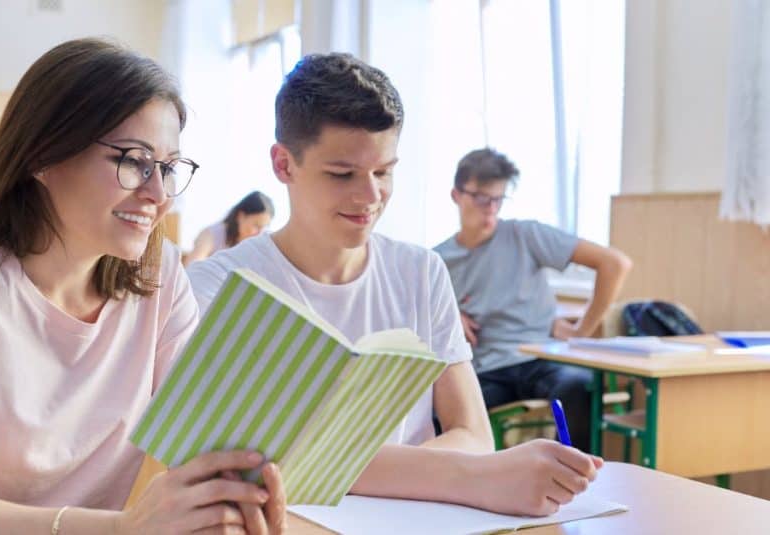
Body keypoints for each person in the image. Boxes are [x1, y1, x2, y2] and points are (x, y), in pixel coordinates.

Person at [0, 38, 286, 534]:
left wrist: (232, 502)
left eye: (170, 168)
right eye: (134, 160)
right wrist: (116, 529)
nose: (158, 194)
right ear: (43, 156)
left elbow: (206, 442)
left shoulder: (160, 277)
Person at [188, 52, 602, 517]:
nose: (370, 197)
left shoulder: (420, 272)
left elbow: (475, 433)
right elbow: (259, 465)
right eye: (342, 174)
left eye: (384, 171)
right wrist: (466, 477)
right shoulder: (216, 288)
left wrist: (351, 473)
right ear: (283, 164)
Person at [433, 147, 633, 450]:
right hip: (485, 369)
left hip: (541, 358)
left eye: (498, 199)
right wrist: (448, 314)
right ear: (456, 195)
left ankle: (575, 475)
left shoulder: (525, 235)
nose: (490, 209)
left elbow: (615, 264)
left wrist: (582, 331)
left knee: (579, 385)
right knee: (441, 413)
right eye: (481, 198)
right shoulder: (438, 260)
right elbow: (415, 315)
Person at [184, 190, 274, 264]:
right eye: (257, 226)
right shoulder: (212, 235)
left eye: (264, 228)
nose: (259, 233)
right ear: (241, 216)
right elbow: (192, 266)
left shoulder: (254, 248)